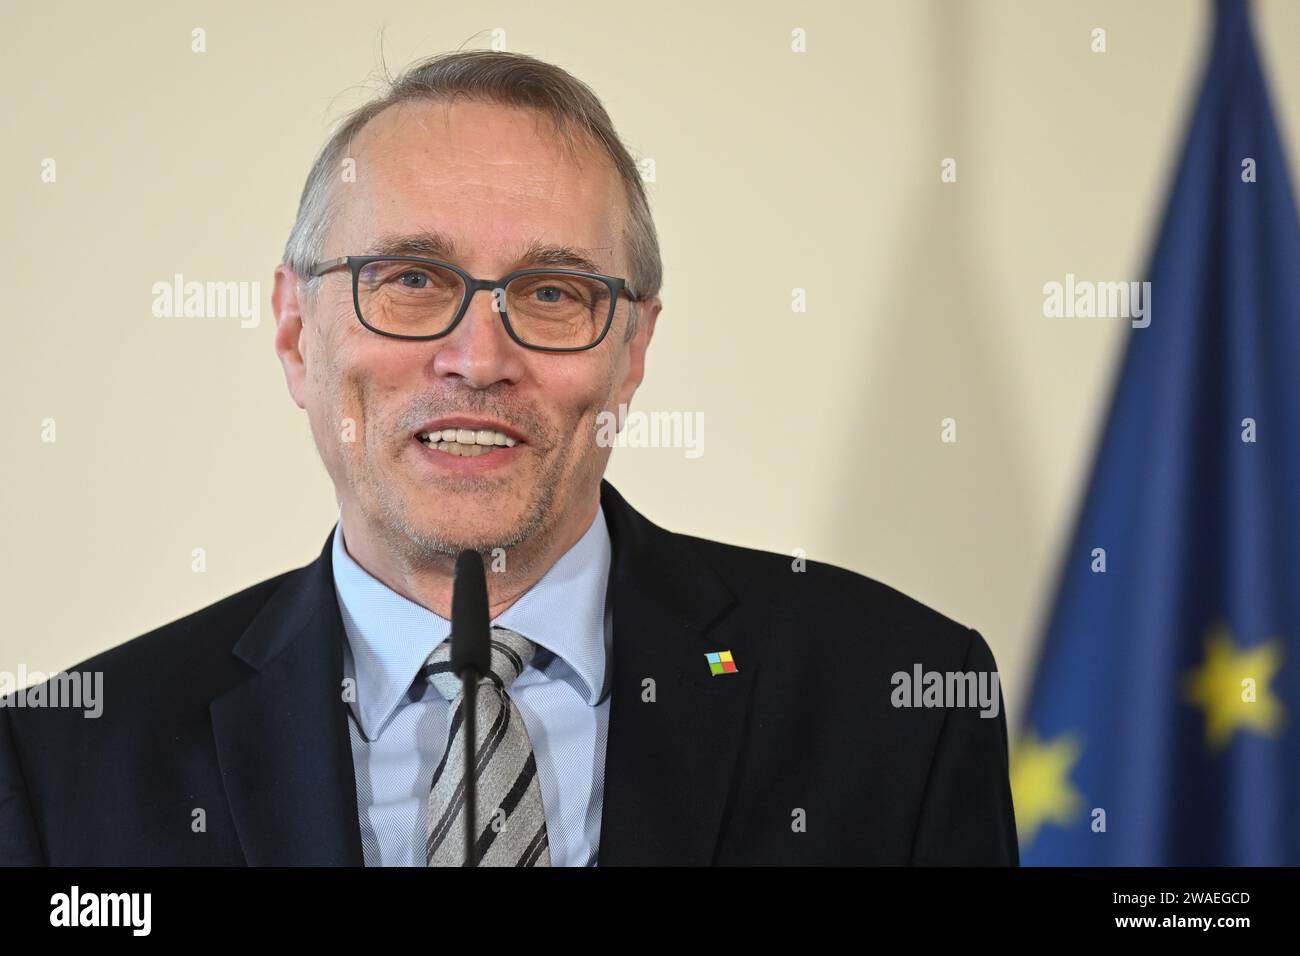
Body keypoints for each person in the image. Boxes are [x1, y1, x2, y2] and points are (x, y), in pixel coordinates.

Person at [0, 50, 1017, 866]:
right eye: (407, 277)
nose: (478, 359)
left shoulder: (893, 700)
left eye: (550, 293)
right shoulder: (60, 763)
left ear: (633, 350)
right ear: (293, 335)